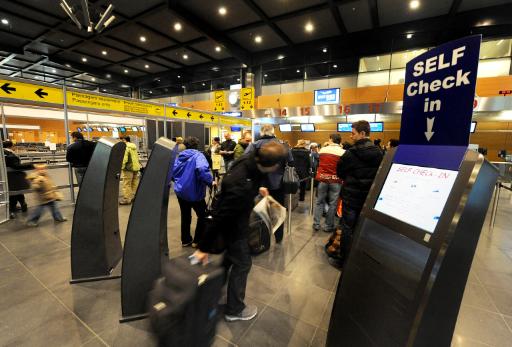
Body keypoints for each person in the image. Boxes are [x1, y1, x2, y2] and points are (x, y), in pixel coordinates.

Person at [194, 141, 288, 322]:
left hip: (235, 221)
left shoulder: (249, 159)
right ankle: (234, 309)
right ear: (273, 165)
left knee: (229, 260)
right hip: (234, 226)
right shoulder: (241, 185)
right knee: (243, 263)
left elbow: (250, 176)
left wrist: (257, 188)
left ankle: (212, 294)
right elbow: (222, 217)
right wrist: (203, 247)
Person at [337, 120, 383, 265]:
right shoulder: (380, 153)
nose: (351, 137)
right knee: (363, 228)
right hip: (368, 198)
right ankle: (360, 259)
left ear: (362, 133)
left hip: (351, 197)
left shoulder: (350, 154)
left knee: (347, 228)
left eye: (353, 133)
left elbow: (340, 173)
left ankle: (344, 260)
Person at [244, 124, 294, 243]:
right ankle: (278, 237)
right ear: (273, 132)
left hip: (259, 185)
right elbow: (291, 162)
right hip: (279, 183)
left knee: (260, 212)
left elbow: (245, 161)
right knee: (278, 210)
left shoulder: (254, 145)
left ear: (261, 132)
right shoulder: (283, 145)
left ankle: (263, 239)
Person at [171, 137, 213, 247]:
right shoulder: (199, 156)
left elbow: (172, 171)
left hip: (181, 191)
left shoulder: (180, 156)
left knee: (185, 215)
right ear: (197, 145)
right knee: (202, 215)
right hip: (194, 192)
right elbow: (202, 170)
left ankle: (185, 240)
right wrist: (210, 181)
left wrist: (179, 181)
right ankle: (197, 240)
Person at [313, 134, 345, 232]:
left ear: (331, 139)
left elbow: (318, 161)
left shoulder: (322, 150)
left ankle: (316, 224)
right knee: (333, 204)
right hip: (336, 181)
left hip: (323, 179)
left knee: (319, 201)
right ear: (339, 141)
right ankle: (328, 225)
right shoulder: (343, 152)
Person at [120, 136, 141, 205]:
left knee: (127, 184)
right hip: (136, 168)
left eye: (122, 140)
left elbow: (124, 159)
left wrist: (121, 167)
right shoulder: (134, 147)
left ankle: (127, 199)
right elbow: (137, 157)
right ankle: (134, 197)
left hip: (128, 168)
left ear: (124, 140)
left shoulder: (126, 147)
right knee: (134, 183)